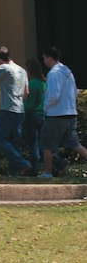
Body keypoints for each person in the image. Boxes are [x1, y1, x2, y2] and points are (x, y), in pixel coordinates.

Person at [38, 46, 87, 177]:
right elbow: (75, 92)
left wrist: (46, 107)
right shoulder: (68, 72)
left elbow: (54, 95)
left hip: (56, 115)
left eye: (44, 58)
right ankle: (48, 172)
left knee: (46, 144)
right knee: (75, 145)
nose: (43, 61)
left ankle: (47, 173)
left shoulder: (53, 74)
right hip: (71, 114)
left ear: (49, 58)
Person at [0, 46, 31, 176]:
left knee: (0, 140)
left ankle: (22, 163)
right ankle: (15, 171)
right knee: (15, 142)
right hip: (20, 109)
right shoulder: (22, 70)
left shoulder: (5, 68)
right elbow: (26, 92)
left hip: (8, 109)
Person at [23, 56, 47, 176]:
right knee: (43, 144)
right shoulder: (44, 83)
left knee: (33, 145)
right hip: (43, 115)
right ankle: (57, 162)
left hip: (32, 116)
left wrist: (22, 108)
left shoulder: (32, 83)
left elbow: (29, 104)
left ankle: (34, 170)